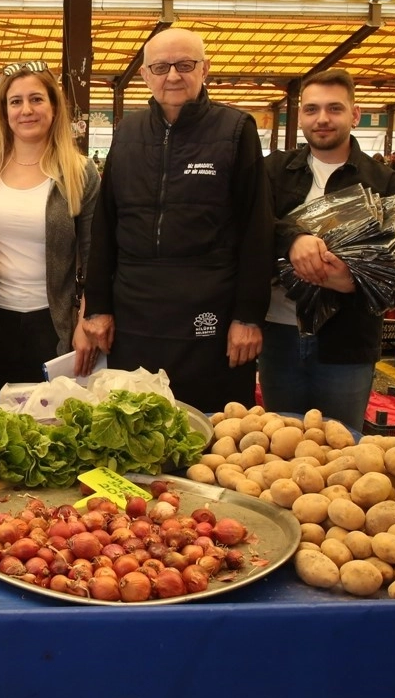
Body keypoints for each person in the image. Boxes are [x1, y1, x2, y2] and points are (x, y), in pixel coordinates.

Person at [82, 28, 274, 413]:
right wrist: (97, 307)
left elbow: (258, 228)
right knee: (131, 419)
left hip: (208, 309)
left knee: (209, 427)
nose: (172, 76)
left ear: (205, 69)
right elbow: (105, 224)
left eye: (184, 65)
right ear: (145, 75)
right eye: (161, 66)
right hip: (135, 309)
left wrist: (248, 316)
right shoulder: (128, 132)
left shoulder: (235, 130)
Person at [260, 71, 395, 431]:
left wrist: (355, 282)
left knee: (342, 448)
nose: (322, 119)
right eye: (312, 109)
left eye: (334, 108)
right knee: (277, 447)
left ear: (355, 114)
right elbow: (251, 225)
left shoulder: (384, 181)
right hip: (278, 335)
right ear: (300, 117)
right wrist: (293, 238)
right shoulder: (274, 171)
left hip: (348, 341)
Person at [0, 60, 100, 393]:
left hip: (52, 321)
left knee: (47, 422)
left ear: (54, 108)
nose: (26, 110)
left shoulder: (79, 172)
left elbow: (94, 254)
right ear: (4, 111)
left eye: (36, 99)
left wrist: (86, 321)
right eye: (16, 101)